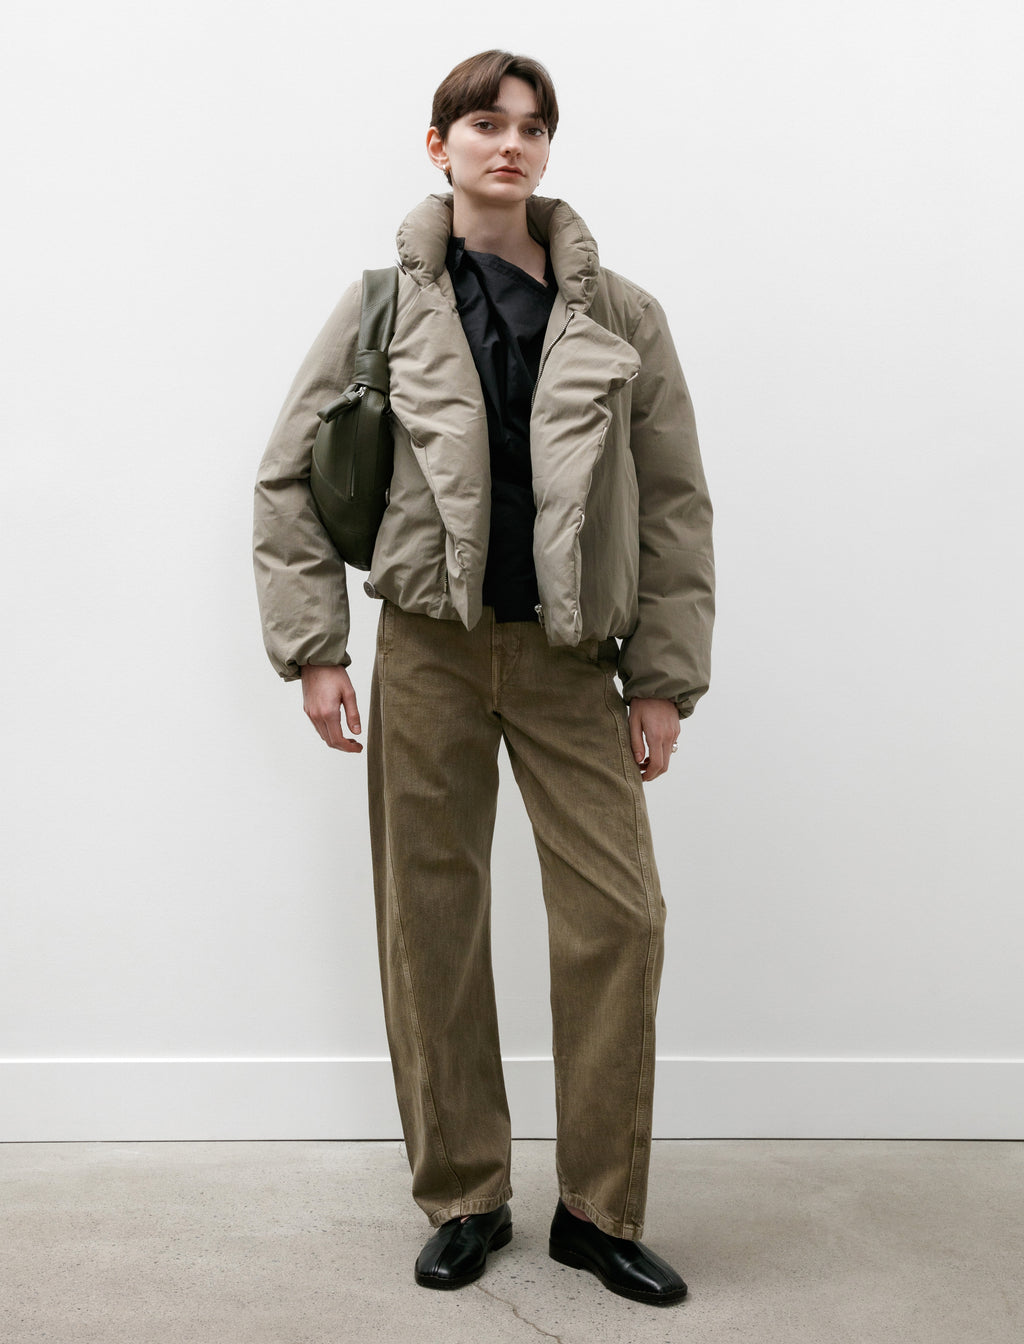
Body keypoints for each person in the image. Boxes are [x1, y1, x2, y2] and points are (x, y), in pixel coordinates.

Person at [253, 50, 714, 1307]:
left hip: (573, 660)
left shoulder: (623, 314)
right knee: (431, 926)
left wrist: (662, 678)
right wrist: (315, 648)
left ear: (548, 150)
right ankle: (464, 1196)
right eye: (483, 122)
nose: (509, 143)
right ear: (438, 144)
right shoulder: (379, 308)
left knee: (620, 919)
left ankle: (597, 1212)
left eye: (531, 126)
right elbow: (287, 479)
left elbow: (674, 507)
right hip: (427, 651)